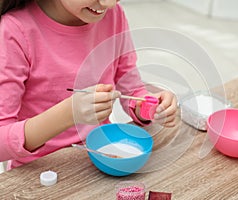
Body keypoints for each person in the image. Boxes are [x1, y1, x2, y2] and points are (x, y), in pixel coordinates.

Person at [0, 0, 177, 170]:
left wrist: (149, 106)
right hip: (39, 172)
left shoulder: (113, 15)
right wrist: (69, 113)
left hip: (100, 157)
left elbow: (131, 89)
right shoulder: (14, 31)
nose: (108, 4)